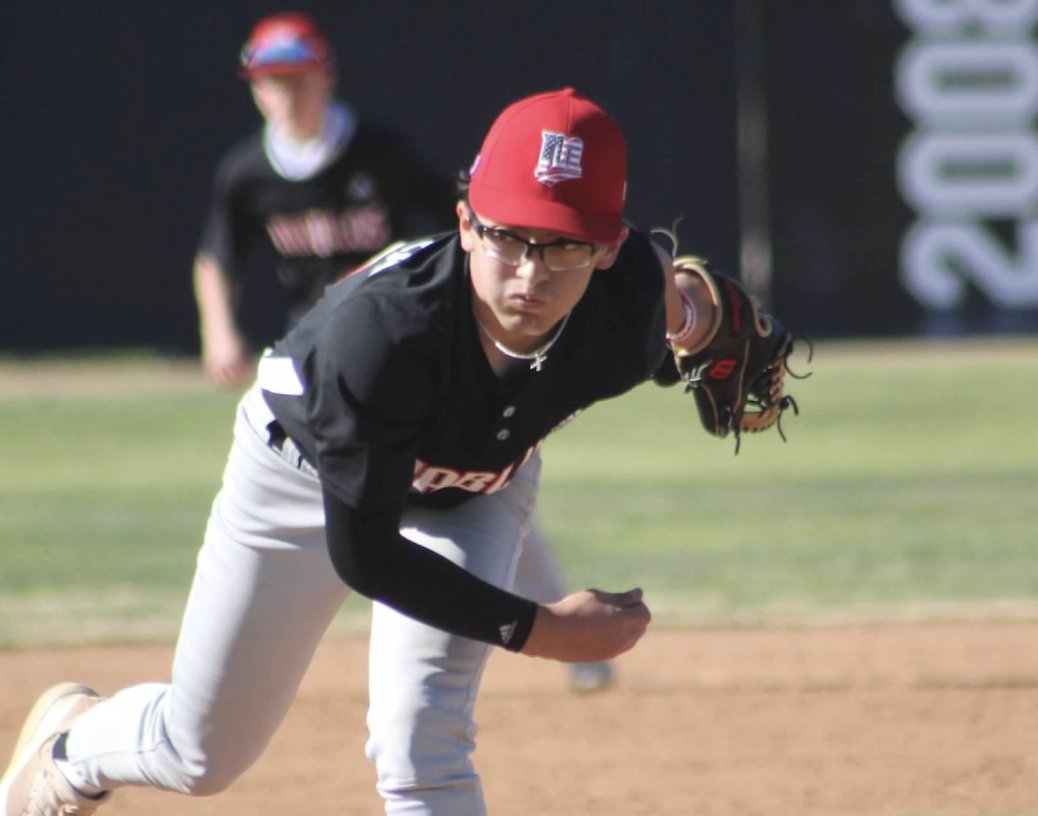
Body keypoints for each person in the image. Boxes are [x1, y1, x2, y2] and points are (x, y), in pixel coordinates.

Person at [1, 87, 724, 816]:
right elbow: (368, 557)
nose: (532, 273)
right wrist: (544, 630)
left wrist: (697, 312)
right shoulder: (379, 337)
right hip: (301, 465)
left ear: (606, 251)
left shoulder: (627, 302)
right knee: (200, 752)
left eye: (565, 243)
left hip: (469, 487)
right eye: (509, 235)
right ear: (466, 222)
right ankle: (72, 751)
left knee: (424, 750)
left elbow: (675, 310)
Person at [192, 10, 612, 693]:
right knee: (365, 510)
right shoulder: (245, 172)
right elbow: (216, 256)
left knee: (488, 489)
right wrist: (218, 327)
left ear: (325, 74)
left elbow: (460, 217)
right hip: (333, 369)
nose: (284, 92)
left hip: (418, 349)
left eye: (296, 76)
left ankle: (571, 641)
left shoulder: (374, 151)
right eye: (269, 79)